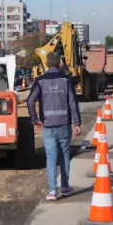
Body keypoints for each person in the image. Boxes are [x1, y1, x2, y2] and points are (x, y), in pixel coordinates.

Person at [27, 51, 82, 202]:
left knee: (51, 157)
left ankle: (52, 191)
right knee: (65, 155)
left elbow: (30, 101)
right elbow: (72, 102)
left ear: (46, 64)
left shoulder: (40, 81)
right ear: (59, 64)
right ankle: (65, 187)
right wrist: (77, 123)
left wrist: (35, 120)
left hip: (48, 126)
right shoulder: (66, 80)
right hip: (64, 124)